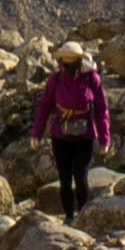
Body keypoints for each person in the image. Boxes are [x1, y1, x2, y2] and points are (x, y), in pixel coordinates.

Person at [25, 42, 113, 218]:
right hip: (60, 137)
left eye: (71, 62)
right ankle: (69, 217)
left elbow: (101, 110)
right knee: (65, 180)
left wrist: (104, 139)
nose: (67, 65)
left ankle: (83, 216)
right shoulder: (55, 80)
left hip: (84, 137)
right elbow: (45, 106)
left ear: (79, 61)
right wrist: (36, 133)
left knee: (80, 177)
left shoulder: (92, 79)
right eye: (65, 62)